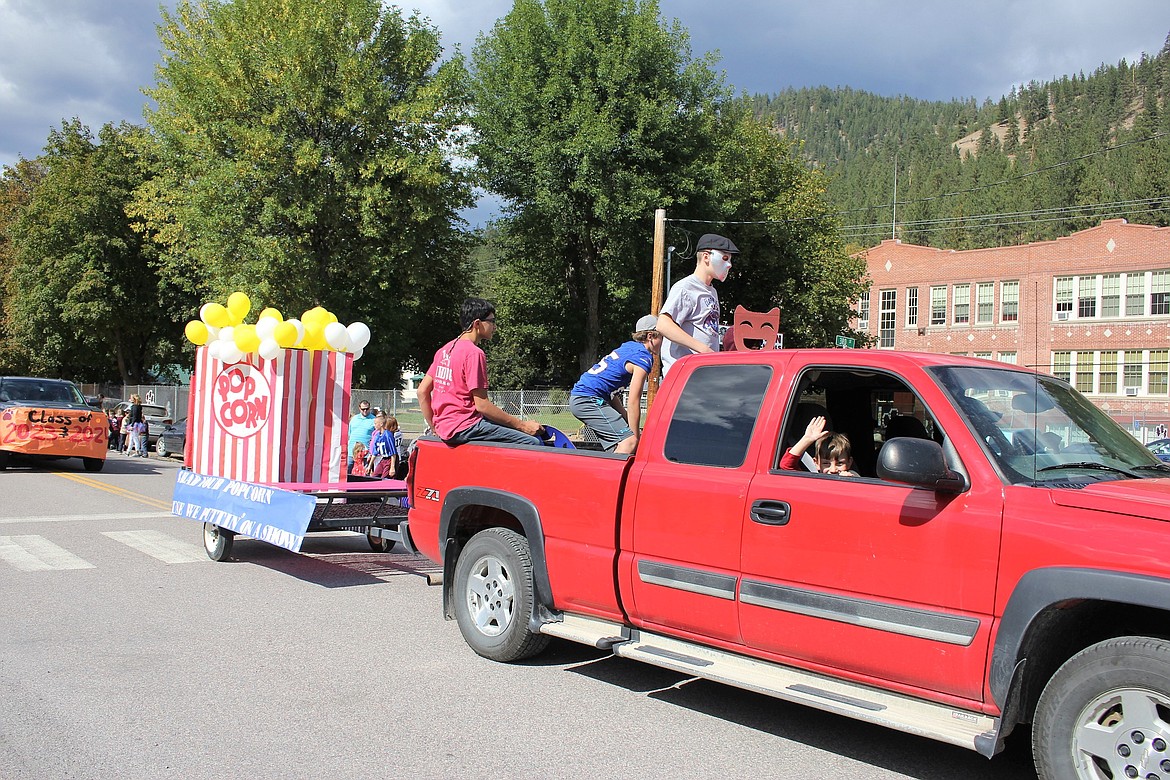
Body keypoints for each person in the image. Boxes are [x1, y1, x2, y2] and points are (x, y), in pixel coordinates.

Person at [417, 297, 544, 446]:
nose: (495, 327)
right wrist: (523, 425)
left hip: (446, 429)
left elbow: (422, 391)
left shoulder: (445, 350)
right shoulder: (474, 353)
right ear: (477, 324)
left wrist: (434, 427)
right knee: (532, 442)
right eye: (492, 321)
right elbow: (482, 405)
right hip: (466, 426)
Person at [569, 315, 663, 454]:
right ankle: (607, 476)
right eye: (662, 337)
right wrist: (635, 437)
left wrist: (631, 426)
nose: (663, 342)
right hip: (588, 400)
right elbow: (633, 401)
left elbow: (612, 395)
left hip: (584, 398)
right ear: (651, 336)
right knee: (629, 442)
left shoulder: (628, 347)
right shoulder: (643, 357)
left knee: (620, 445)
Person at [657, 233, 739, 375]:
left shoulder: (712, 291)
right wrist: (704, 350)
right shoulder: (685, 287)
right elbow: (663, 324)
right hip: (683, 375)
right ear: (706, 257)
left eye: (730, 259)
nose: (729, 265)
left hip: (701, 375)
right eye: (725, 258)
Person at [779, 416, 858, 476]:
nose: (833, 470)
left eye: (840, 463)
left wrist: (850, 482)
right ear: (816, 463)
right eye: (826, 463)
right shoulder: (814, 481)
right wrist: (807, 439)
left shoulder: (852, 477)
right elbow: (786, 465)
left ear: (849, 462)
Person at [348, 400, 376, 471]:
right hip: (351, 452)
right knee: (347, 472)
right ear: (359, 408)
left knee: (364, 475)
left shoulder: (374, 420)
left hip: (365, 453)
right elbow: (350, 433)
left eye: (367, 409)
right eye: (363, 409)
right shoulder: (354, 419)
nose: (365, 411)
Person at [369, 412, 399, 478]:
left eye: (376, 423)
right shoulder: (377, 435)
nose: (374, 425)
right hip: (383, 459)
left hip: (390, 460)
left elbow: (393, 452)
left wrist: (392, 467)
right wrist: (369, 466)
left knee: (384, 479)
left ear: (381, 424)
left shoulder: (388, 435)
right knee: (375, 476)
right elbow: (375, 452)